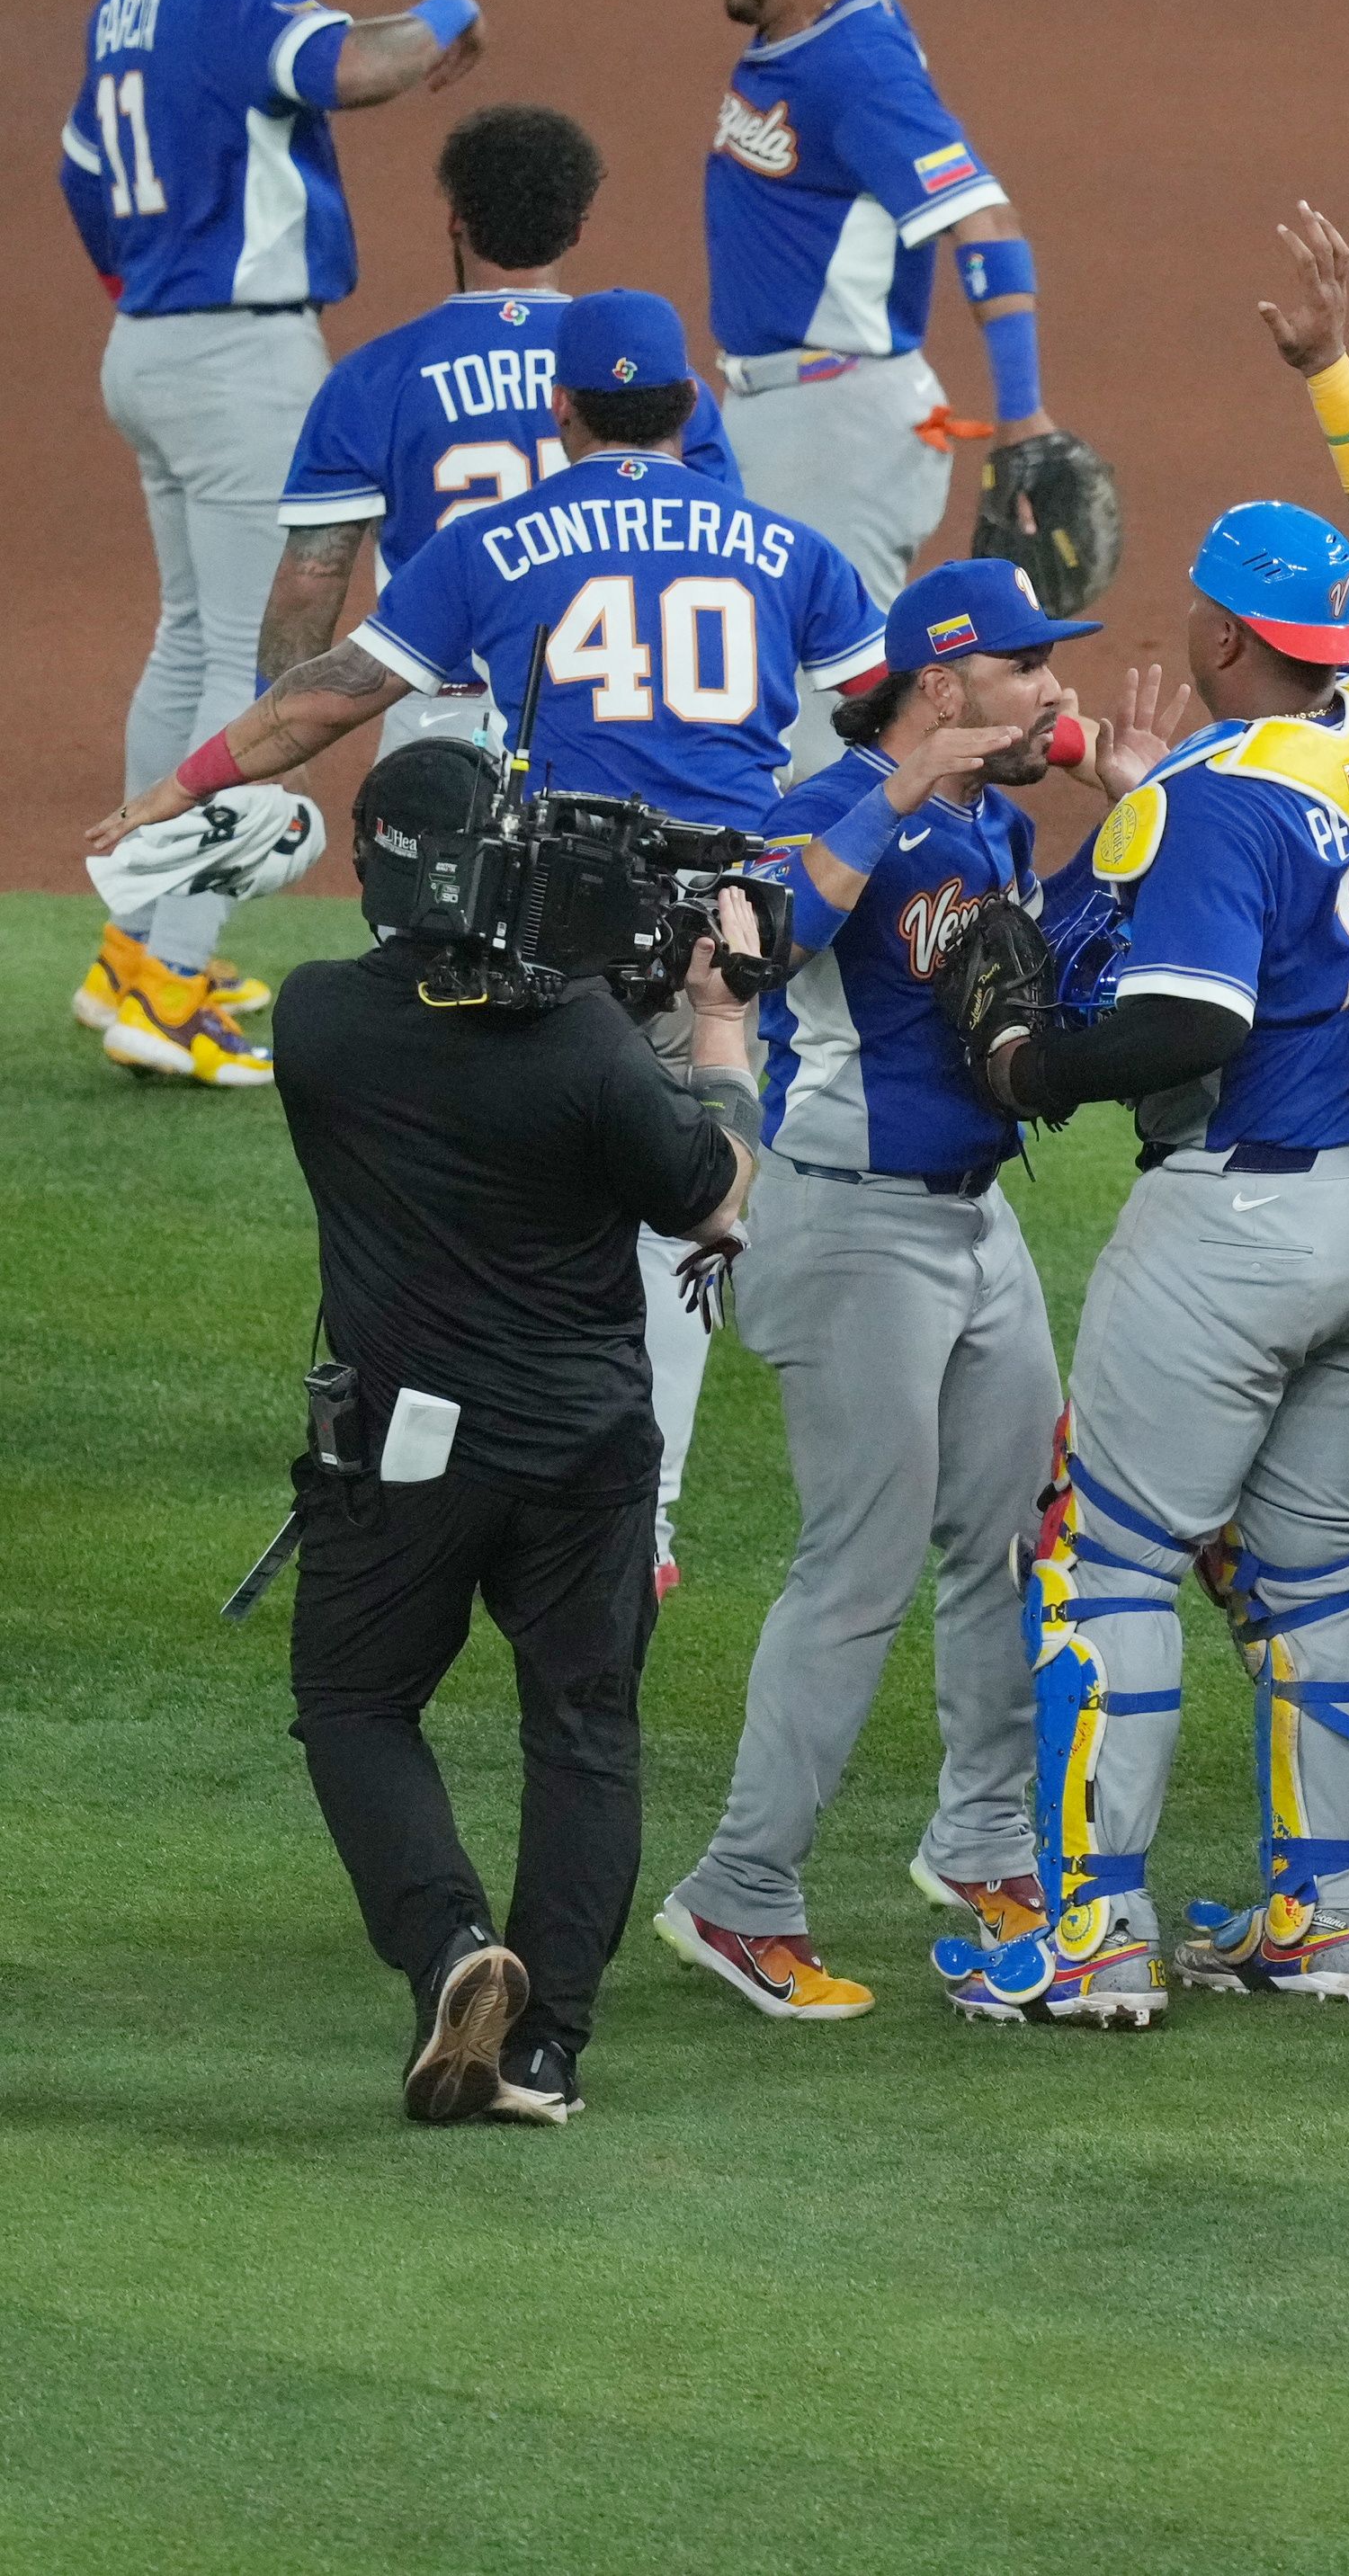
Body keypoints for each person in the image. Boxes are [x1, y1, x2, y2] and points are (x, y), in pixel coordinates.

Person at [94, 285, 885, 1600]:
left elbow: (330, 697)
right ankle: (642, 1522)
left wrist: (181, 787)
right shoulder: (785, 547)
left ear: (561, 409)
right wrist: (801, 842)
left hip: (546, 922)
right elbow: (894, 716)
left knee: (507, 1192)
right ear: (688, 407)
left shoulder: (497, 539)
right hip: (713, 933)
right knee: (683, 1212)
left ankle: (461, 1475)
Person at [927, 208, 1349, 2027]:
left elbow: (1182, 1020)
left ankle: (1091, 1940)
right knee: (1310, 1577)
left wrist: (1034, 1071)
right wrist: (1334, 375)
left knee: (1105, 1562)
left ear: (1221, 636)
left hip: (1237, 1222)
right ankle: (1326, 1918)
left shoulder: (1212, 799)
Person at [647, 557, 1179, 2023]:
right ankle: (738, 1895)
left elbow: (1030, 976)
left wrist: (1128, 821)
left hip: (974, 1224)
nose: (1057, 691)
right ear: (942, 684)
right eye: (1029, 667)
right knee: (857, 1569)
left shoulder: (992, 820)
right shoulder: (821, 807)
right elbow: (759, 947)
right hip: (849, 1229)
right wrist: (895, 792)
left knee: (1011, 1542)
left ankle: (983, 1840)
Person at [271, 738, 757, 2127]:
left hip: (407, 1451)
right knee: (583, 1728)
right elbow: (715, 1199)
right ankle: (544, 2052)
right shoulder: (589, 1043)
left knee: (356, 1701)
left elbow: (442, 1015)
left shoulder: (316, 1023)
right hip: (589, 1447)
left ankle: (450, 1949)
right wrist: (713, 1023)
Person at [67, 0, 487, 1087]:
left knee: (191, 640)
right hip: (235, 357)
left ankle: (134, 948)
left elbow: (83, 174)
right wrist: (452, 11)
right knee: (258, 671)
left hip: (152, 344)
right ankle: (167, 980)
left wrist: (156, 289)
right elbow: (354, 65)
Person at [540, 0, 1094, 630]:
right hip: (786, 413)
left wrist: (1022, 414)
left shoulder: (862, 75)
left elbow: (988, 224)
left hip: (839, 428)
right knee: (753, 652)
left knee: (828, 683)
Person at [259, 102, 736, 765]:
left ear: (456, 219)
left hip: (442, 725)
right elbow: (717, 552)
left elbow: (313, 577)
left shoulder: (374, 378)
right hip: (615, 712)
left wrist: (274, 749)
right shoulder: (659, 379)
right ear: (575, 229)